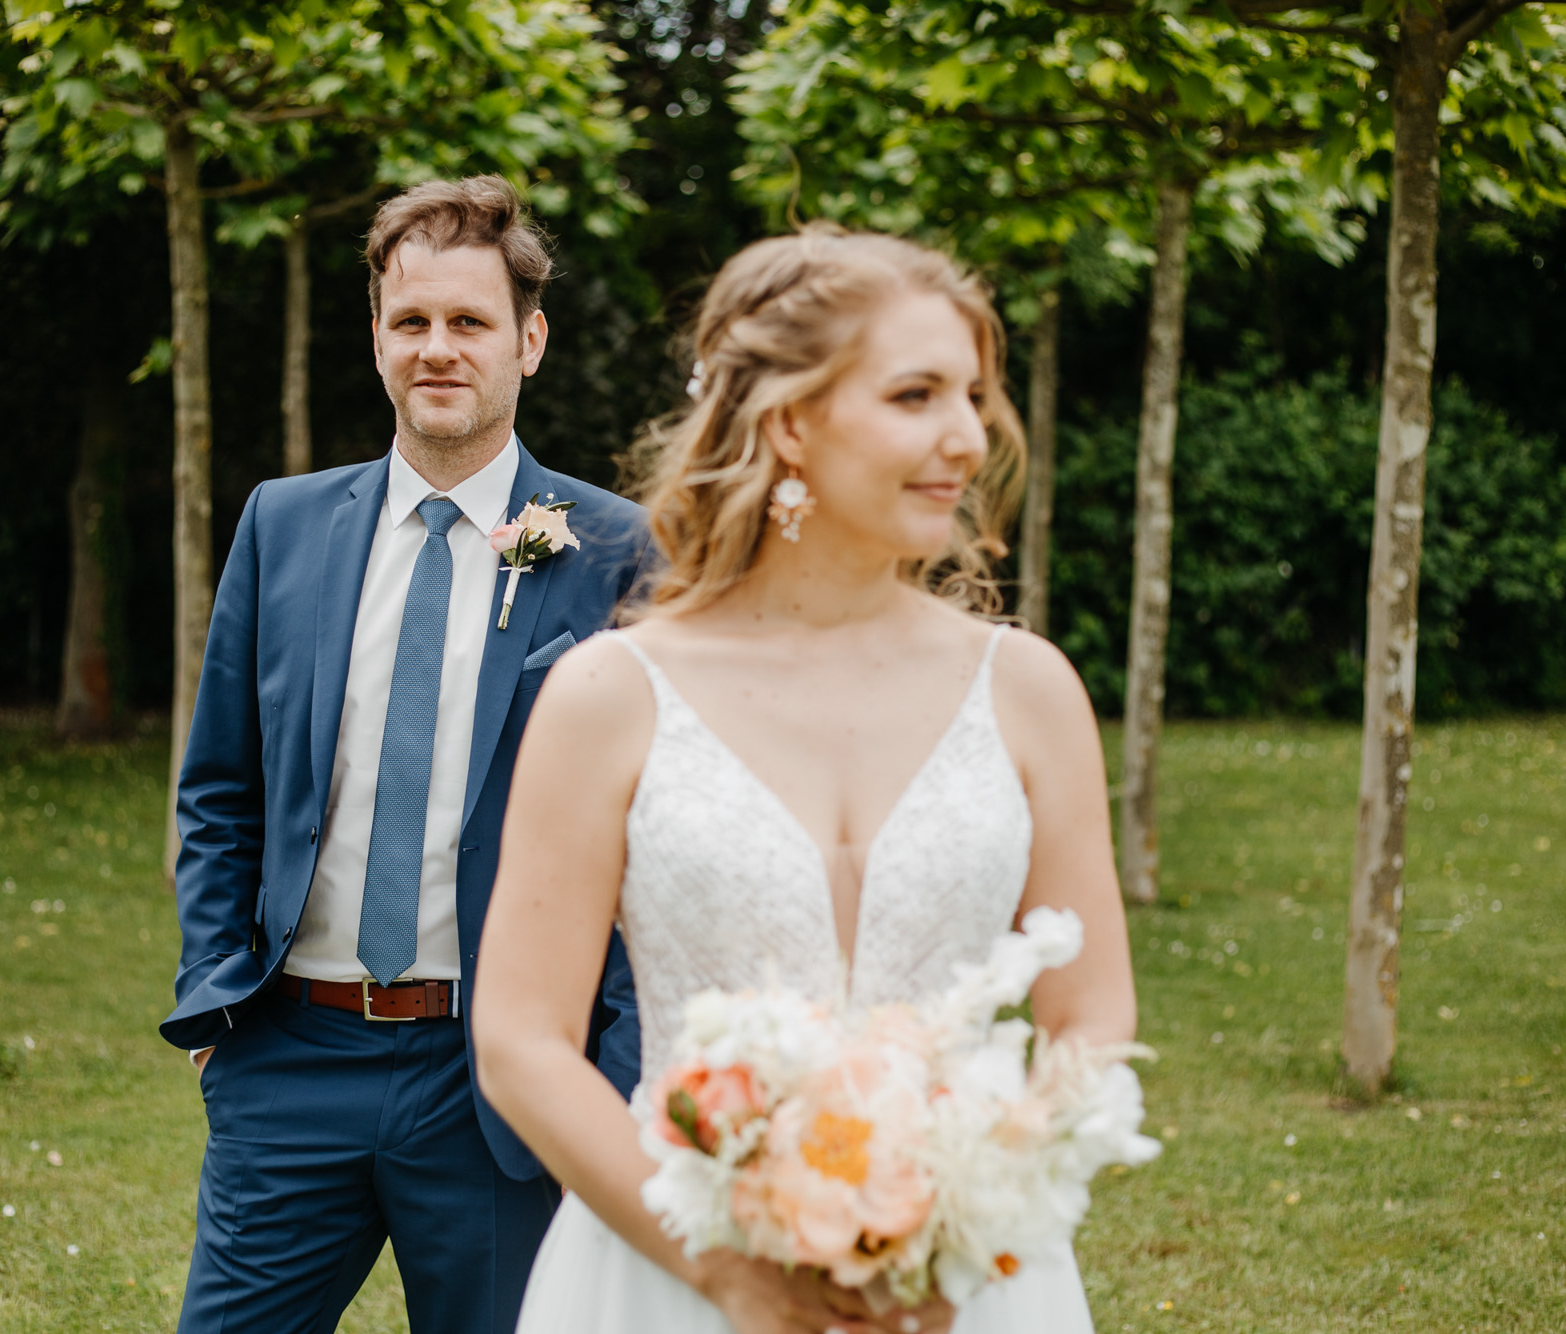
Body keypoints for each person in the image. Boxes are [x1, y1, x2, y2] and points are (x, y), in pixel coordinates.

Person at [472, 226, 1140, 1334]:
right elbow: (521, 1040)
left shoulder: (1028, 691)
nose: (968, 436)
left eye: (973, 396)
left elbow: (1092, 1010)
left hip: (966, 1285)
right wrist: (723, 1273)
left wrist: (972, 1205)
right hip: (669, 1276)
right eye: (916, 394)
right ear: (788, 420)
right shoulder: (610, 696)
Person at [160, 176, 646, 1334]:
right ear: (375, 335)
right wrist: (216, 1008)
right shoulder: (282, 525)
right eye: (411, 319)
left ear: (529, 341)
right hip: (289, 1058)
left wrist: (611, 1073)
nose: (438, 347)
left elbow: (653, 835)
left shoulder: (613, 548)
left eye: (469, 320)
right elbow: (220, 787)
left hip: (496, 1076)